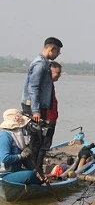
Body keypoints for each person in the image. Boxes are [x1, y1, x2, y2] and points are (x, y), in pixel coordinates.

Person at [21, 37, 63, 171]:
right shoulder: (40, 64)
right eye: (58, 52)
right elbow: (33, 88)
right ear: (52, 49)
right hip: (35, 107)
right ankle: (33, 172)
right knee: (36, 142)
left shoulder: (44, 63)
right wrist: (36, 111)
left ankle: (36, 170)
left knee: (40, 142)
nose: (58, 55)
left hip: (39, 106)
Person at [0, 109, 34, 173]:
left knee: (34, 174)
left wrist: (36, 170)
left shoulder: (18, 136)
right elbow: (4, 158)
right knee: (30, 174)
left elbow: (25, 158)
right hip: (6, 173)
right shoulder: (5, 136)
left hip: (17, 170)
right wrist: (20, 156)